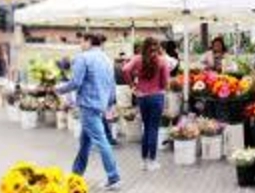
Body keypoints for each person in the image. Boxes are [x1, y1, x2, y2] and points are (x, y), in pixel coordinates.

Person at [55, 33, 121, 191]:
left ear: (89, 41)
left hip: (88, 105)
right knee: (85, 143)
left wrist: (59, 89)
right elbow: (112, 84)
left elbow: (76, 82)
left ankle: (114, 177)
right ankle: (76, 173)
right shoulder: (106, 59)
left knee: (101, 141)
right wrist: (110, 103)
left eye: (82, 42)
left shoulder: (82, 58)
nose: (80, 45)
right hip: (100, 105)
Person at [123, 37, 170, 171]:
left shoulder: (137, 59)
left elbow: (125, 70)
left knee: (146, 128)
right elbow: (165, 82)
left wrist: (132, 86)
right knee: (153, 129)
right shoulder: (162, 61)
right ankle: (152, 161)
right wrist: (161, 87)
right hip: (157, 97)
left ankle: (143, 161)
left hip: (142, 97)